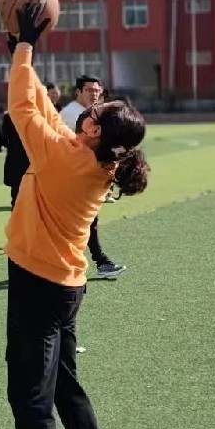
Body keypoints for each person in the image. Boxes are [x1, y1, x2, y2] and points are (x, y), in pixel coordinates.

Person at [2, 4, 149, 429]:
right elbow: (43, 108)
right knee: (62, 381)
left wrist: (25, 49)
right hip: (64, 285)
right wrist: (23, 54)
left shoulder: (66, 160)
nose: (88, 108)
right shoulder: (92, 158)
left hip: (39, 286)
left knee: (29, 397)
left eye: (94, 110)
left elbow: (24, 108)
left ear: (94, 129)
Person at [61, 76, 125, 280]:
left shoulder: (91, 113)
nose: (94, 94)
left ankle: (98, 262)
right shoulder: (73, 113)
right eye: (89, 90)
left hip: (82, 177)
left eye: (97, 90)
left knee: (87, 221)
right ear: (78, 92)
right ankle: (97, 262)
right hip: (70, 176)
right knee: (80, 223)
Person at [3, 83, 61, 206]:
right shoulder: (38, 115)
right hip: (26, 162)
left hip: (26, 162)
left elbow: (5, 138)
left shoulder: (12, 114)